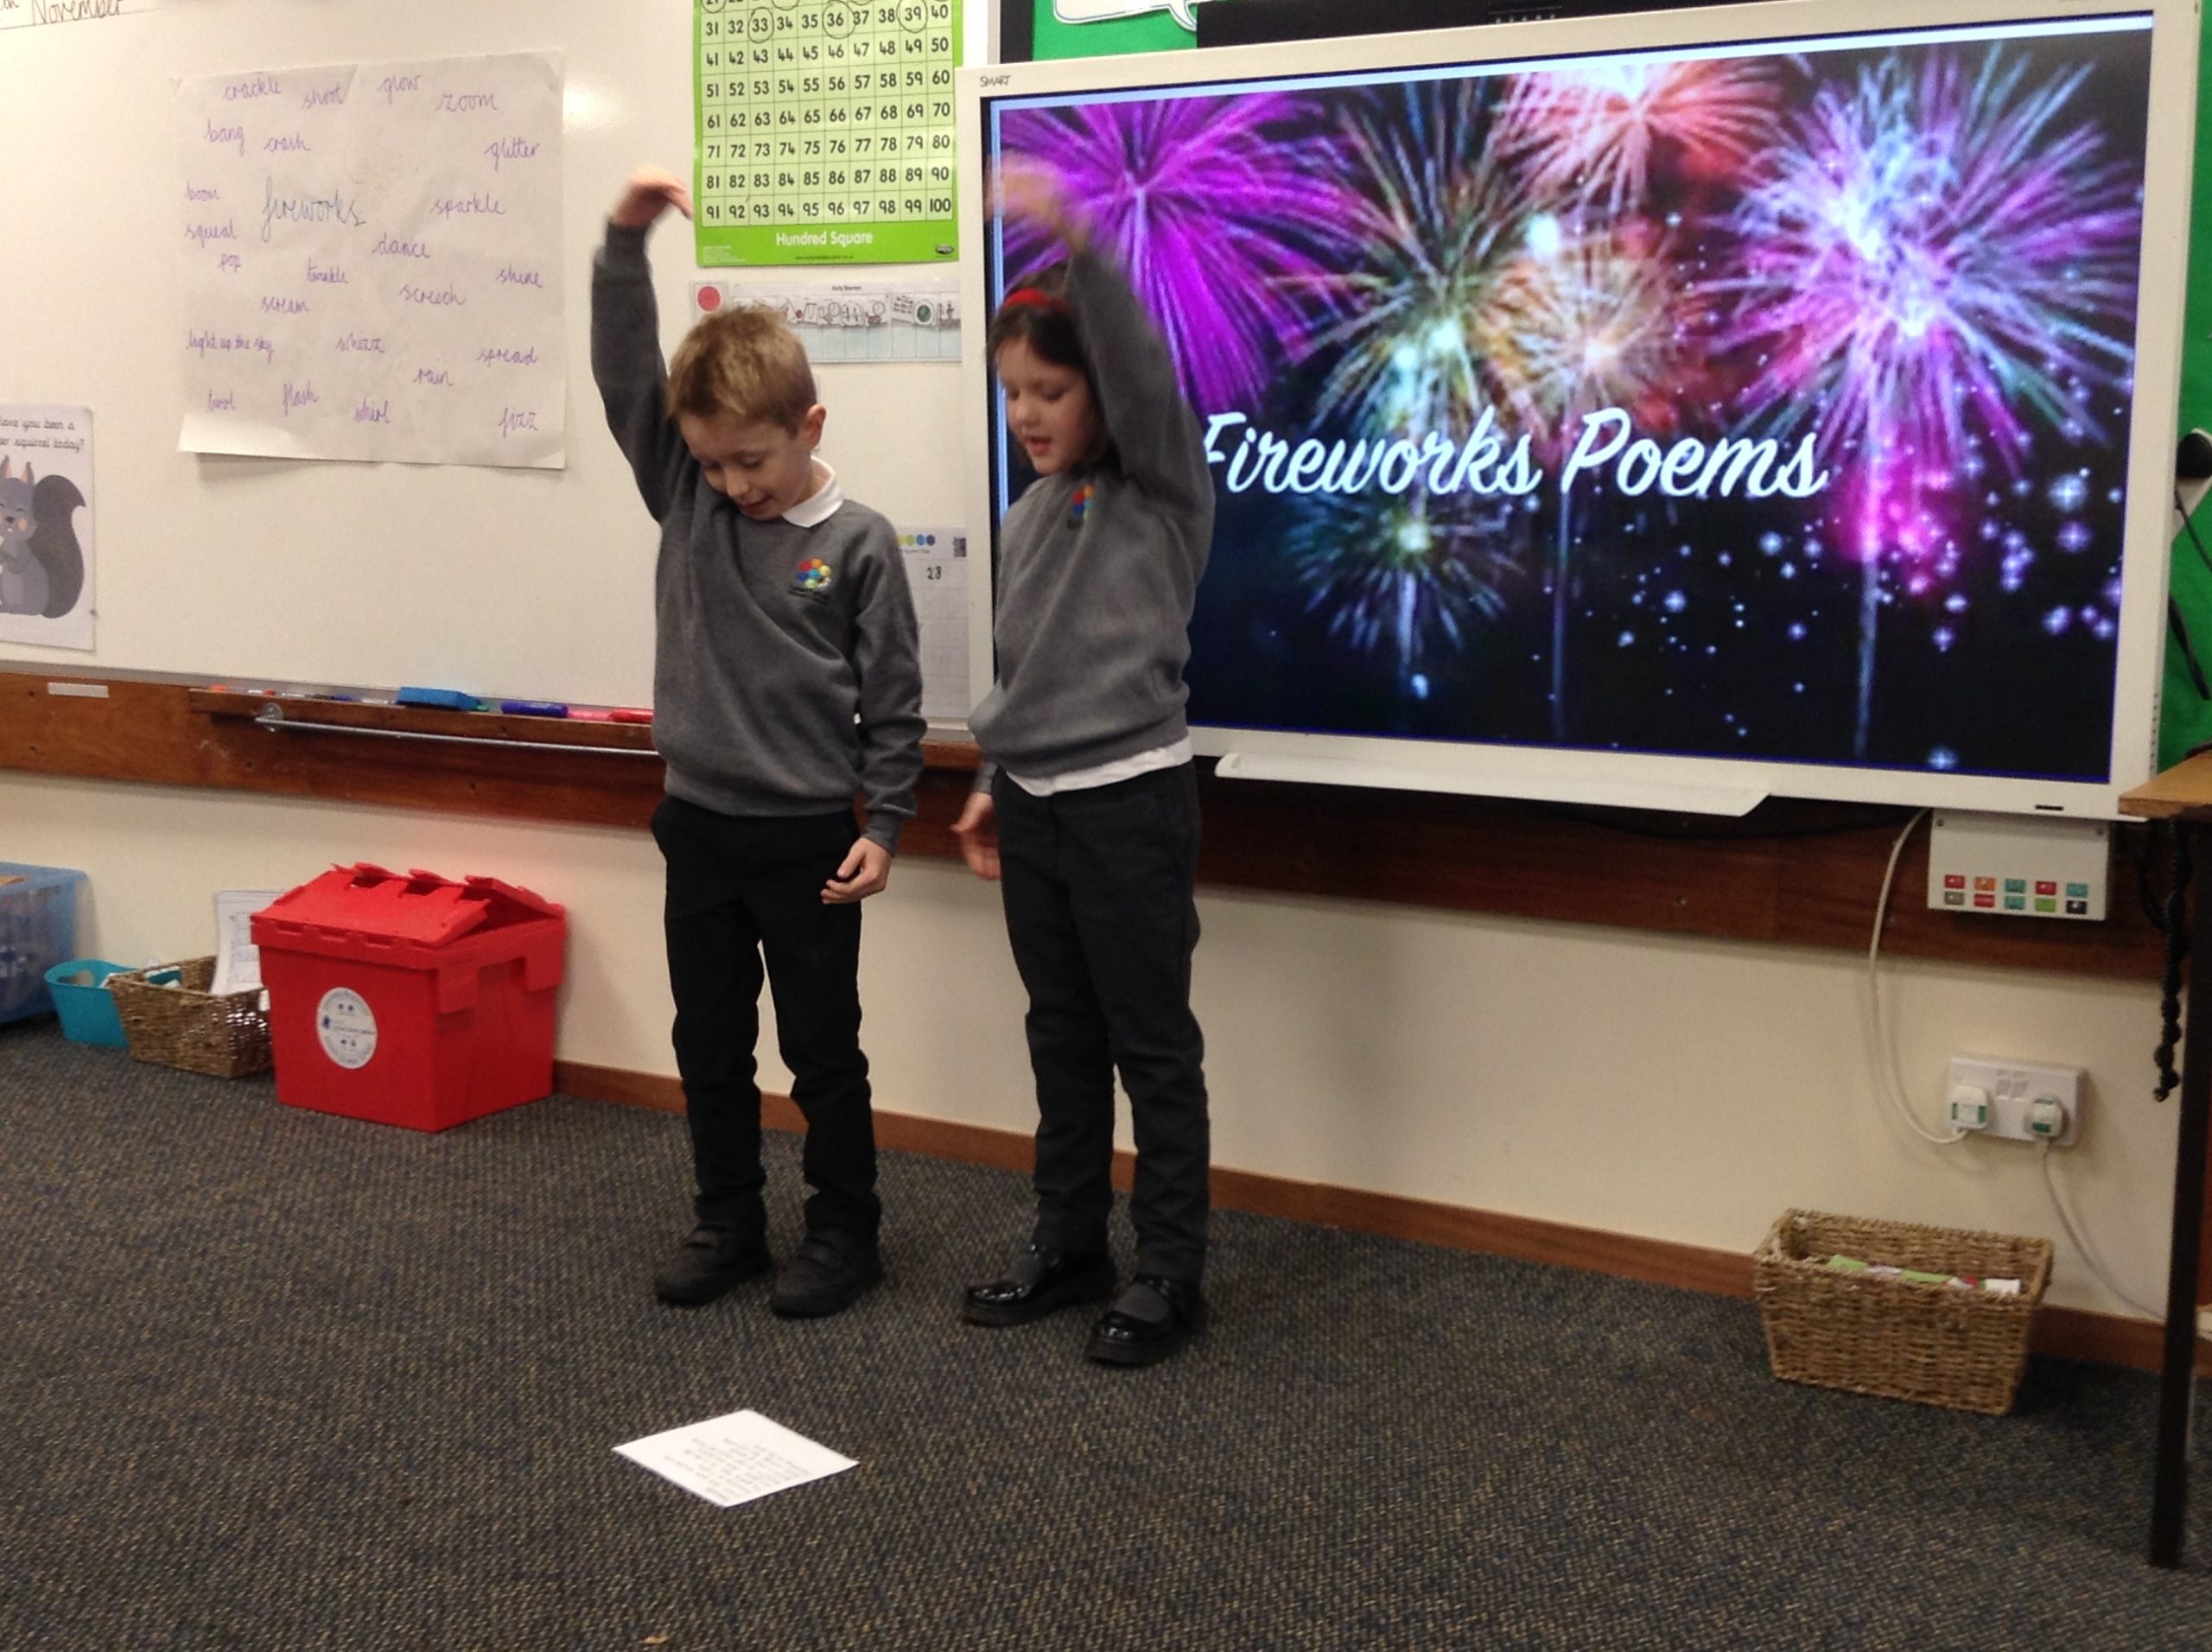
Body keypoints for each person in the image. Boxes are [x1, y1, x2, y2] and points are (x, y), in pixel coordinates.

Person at [592, 165, 925, 1318]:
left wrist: (888, 823)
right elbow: (625, 375)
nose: (734, 486)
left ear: (808, 426)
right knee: (711, 1042)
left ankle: (843, 1232)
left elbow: (895, 702)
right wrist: (622, 244)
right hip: (699, 826)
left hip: (807, 840)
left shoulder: (861, 543)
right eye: (713, 463)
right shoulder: (688, 498)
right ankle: (728, 1221)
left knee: (823, 1048)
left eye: (754, 462)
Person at [953, 170, 1216, 1367]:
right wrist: (987, 780)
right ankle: (1070, 1245)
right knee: (1060, 1037)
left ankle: (1169, 1273)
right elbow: (1029, 669)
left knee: (1149, 1045)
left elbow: (1144, 371)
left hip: (1130, 805)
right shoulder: (1028, 513)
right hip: (1034, 807)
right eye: (1012, 392)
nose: (1027, 413)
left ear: (1104, 385)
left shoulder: (1160, 486)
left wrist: (1079, 232)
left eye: (1051, 390)